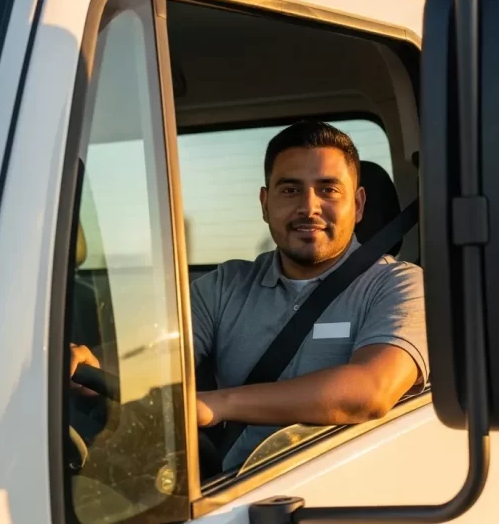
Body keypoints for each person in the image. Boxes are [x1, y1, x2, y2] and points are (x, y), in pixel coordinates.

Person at [71, 120, 428, 471]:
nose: (309, 207)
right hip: (233, 493)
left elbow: (370, 391)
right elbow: (160, 351)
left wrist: (219, 404)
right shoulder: (227, 284)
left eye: (328, 189)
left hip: (340, 494)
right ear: (264, 202)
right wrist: (96, 365)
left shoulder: (399, 285)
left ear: (359, 204)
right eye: (290, 190)